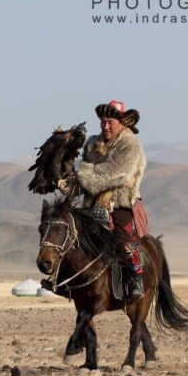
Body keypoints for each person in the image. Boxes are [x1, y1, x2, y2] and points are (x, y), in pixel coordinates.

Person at [60, 100, 147, 299]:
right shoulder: (92, 143)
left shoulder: (130, 143)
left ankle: (136, 279)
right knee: (66, 234)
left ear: (122, 122)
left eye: (110, 122)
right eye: (102, 121)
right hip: (91, 204)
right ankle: (62, 280)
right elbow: (84, 175)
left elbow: (116, 173)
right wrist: (66, 184)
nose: (105, 126)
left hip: (120, 201)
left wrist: (86, 174)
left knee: (123, 239)